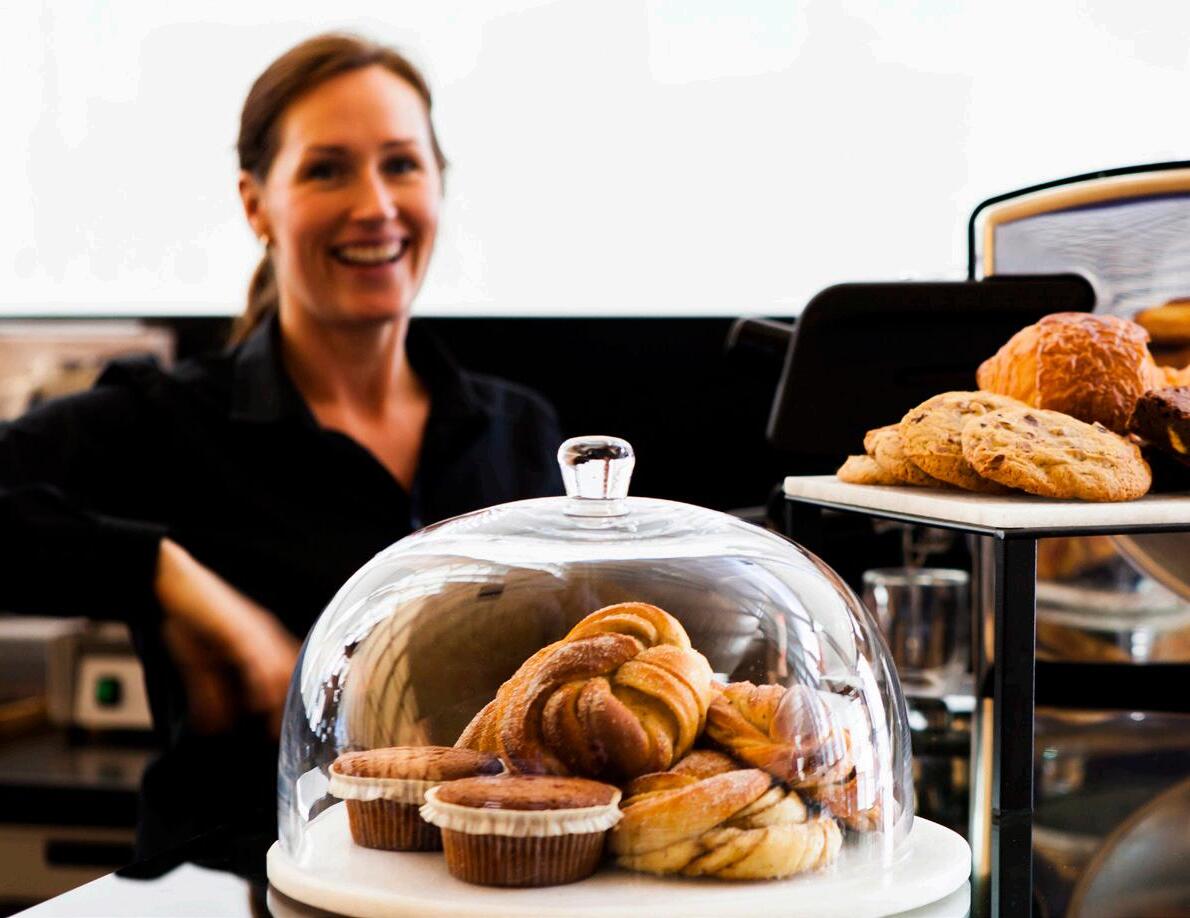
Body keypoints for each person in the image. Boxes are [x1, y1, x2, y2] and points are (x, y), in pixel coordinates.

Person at [0, 33, 562, 856]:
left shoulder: (520, 432)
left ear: (439, 184)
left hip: (482, 887)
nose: (375, 204)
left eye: (401, 164)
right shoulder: (167, 420)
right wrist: (166, 572)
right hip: (238, 886)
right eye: (327, 170)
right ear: (256, 204)